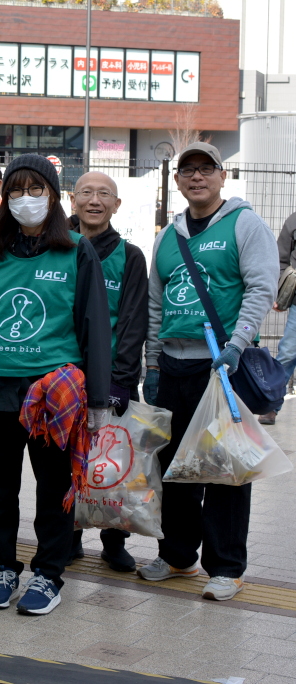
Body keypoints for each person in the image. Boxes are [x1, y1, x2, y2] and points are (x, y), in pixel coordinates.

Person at [0, 154, 111, 616]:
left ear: (54, 196)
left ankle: (48, 574)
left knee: (53, 488)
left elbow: (95, 326)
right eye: (19, 191)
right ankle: (4, 568)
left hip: (53, 395)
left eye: (37, 190)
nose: (27, 200)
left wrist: (99, 400)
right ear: (8, 198)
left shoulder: (76, 251)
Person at [140, 142, 277, 601]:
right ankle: (178, 556)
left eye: (206, 169)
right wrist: (153, 362)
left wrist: (237, 346)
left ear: (222, 176)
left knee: (225, 469)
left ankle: (227, 567)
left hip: (222, 365)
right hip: (175, 365)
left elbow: (261, 287)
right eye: (188, 170)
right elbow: (155, 305)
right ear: (177, 181)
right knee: (176, 465)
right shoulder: (168, 236)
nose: (197, 177)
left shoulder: (244, 223)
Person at [69, 171, 149, 573]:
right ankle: (66, 536)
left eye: (104, 194)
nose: (94, 200)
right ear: (72, 200)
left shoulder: (130, 256)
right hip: (64, 377)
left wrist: (121, 379)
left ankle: (113, 539)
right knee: (62, 462)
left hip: (113, 378)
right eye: (86, 192)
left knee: (114, 461)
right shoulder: (57, 247)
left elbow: (134, 322)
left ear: (116, 205)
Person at [259, 208, 296, 425]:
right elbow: (281, 260)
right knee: (288, 353)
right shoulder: (293, 221)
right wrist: (281, 291)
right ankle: (272, 406)